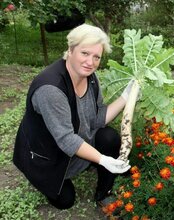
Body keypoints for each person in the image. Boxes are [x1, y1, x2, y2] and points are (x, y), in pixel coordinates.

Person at [13, 23, 135, 210]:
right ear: (70, 50)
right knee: (65, 201)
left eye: (96, 57)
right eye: (85, 53)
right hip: (48, 154)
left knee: (109, 138)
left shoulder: (91, 78)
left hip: (75, 144)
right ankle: (42, 176)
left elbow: (97, 118)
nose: (90, 62)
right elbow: (66, 139)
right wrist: (102, 159)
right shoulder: (51, 89)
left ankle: (104, 193)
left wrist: (125, 97)